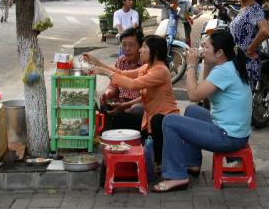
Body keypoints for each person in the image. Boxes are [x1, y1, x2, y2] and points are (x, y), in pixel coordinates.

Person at [151, 30, 252, 192]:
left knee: (170, 121)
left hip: (228, 137)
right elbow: (201, 91)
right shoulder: (229, 65)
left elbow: (193, 95)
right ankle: (193, 164)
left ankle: (177, 176)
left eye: (205, 47)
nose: (201, 50)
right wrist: (205, 63)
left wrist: (191, 64)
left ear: (219, 52)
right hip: (236, 132)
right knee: (192, 111)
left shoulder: (223, 71)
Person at [83, 35, 180, 166]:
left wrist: (106, 72)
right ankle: (115, 154)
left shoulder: (161, 71)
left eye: (144, 47)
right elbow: (123, 74)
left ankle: (160, 162)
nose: (140, 50)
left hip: (164, 121)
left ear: (155, 51)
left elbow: (133, 84)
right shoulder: (146, 68)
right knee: (118, 118)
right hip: (148, 120)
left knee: (157, 120)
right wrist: (98, 64)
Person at [229, 0, 269, 90]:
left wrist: (249, 50)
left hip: (246, 66)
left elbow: (265, 30)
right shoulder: (243, 8)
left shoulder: (254, 9)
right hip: (237, 64)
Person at [97, 28, 144, 131]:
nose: (127, 48)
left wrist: (124, 105)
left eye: (132, 45)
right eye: (124, 44)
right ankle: (106, 135)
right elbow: (114, 84)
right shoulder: (121, 61)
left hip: (136, 105)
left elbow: (146, 97)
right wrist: (108, 93)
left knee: (137, 109)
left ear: (140, 46)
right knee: (103, 101)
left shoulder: (146, 64)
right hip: (120, 103)